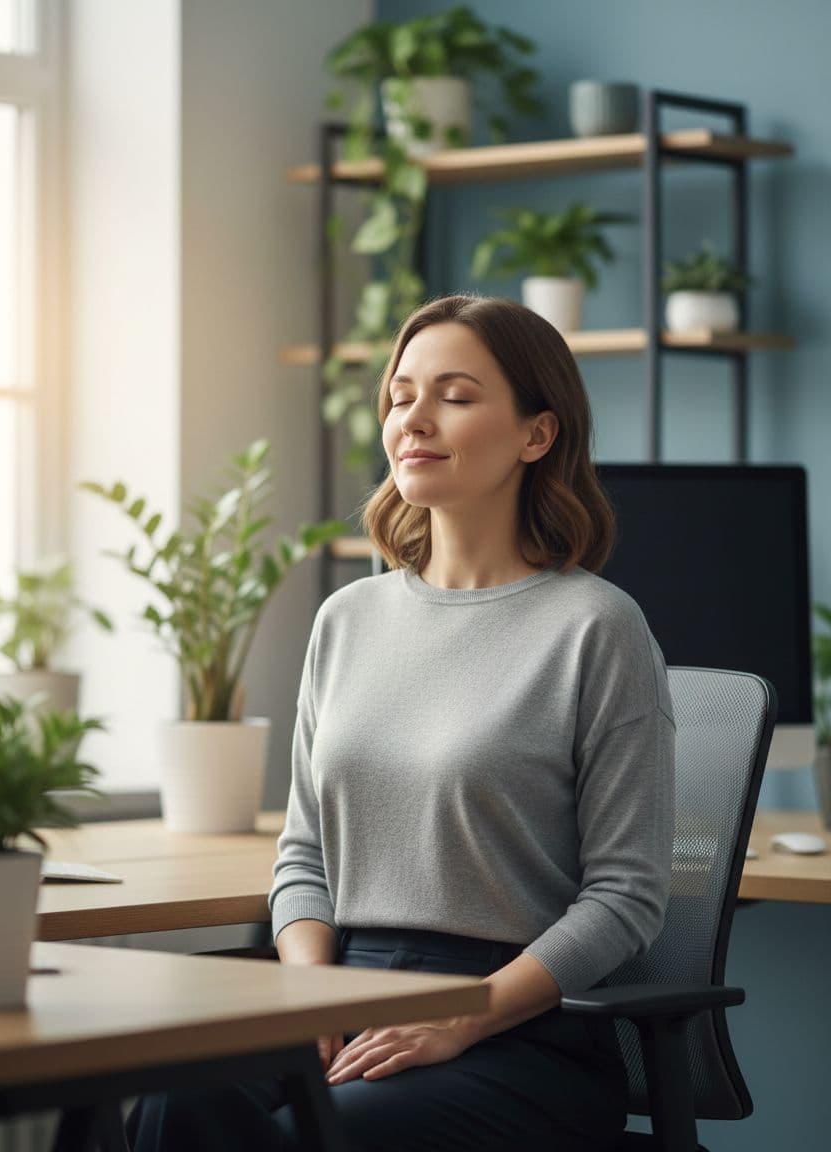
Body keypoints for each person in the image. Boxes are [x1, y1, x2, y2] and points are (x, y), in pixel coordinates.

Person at [128, 294, 675, 1151]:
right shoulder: (347, 619)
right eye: (400, 395)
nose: (413, 419)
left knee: (334, 1134)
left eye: (455, 396)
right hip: (340, 989)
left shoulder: (596, 628)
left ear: (538, 434)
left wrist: (460, 1020)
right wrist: (313, 994)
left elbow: (625, 899)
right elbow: (303, 857)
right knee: (167, 1106)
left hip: (520, 1028)